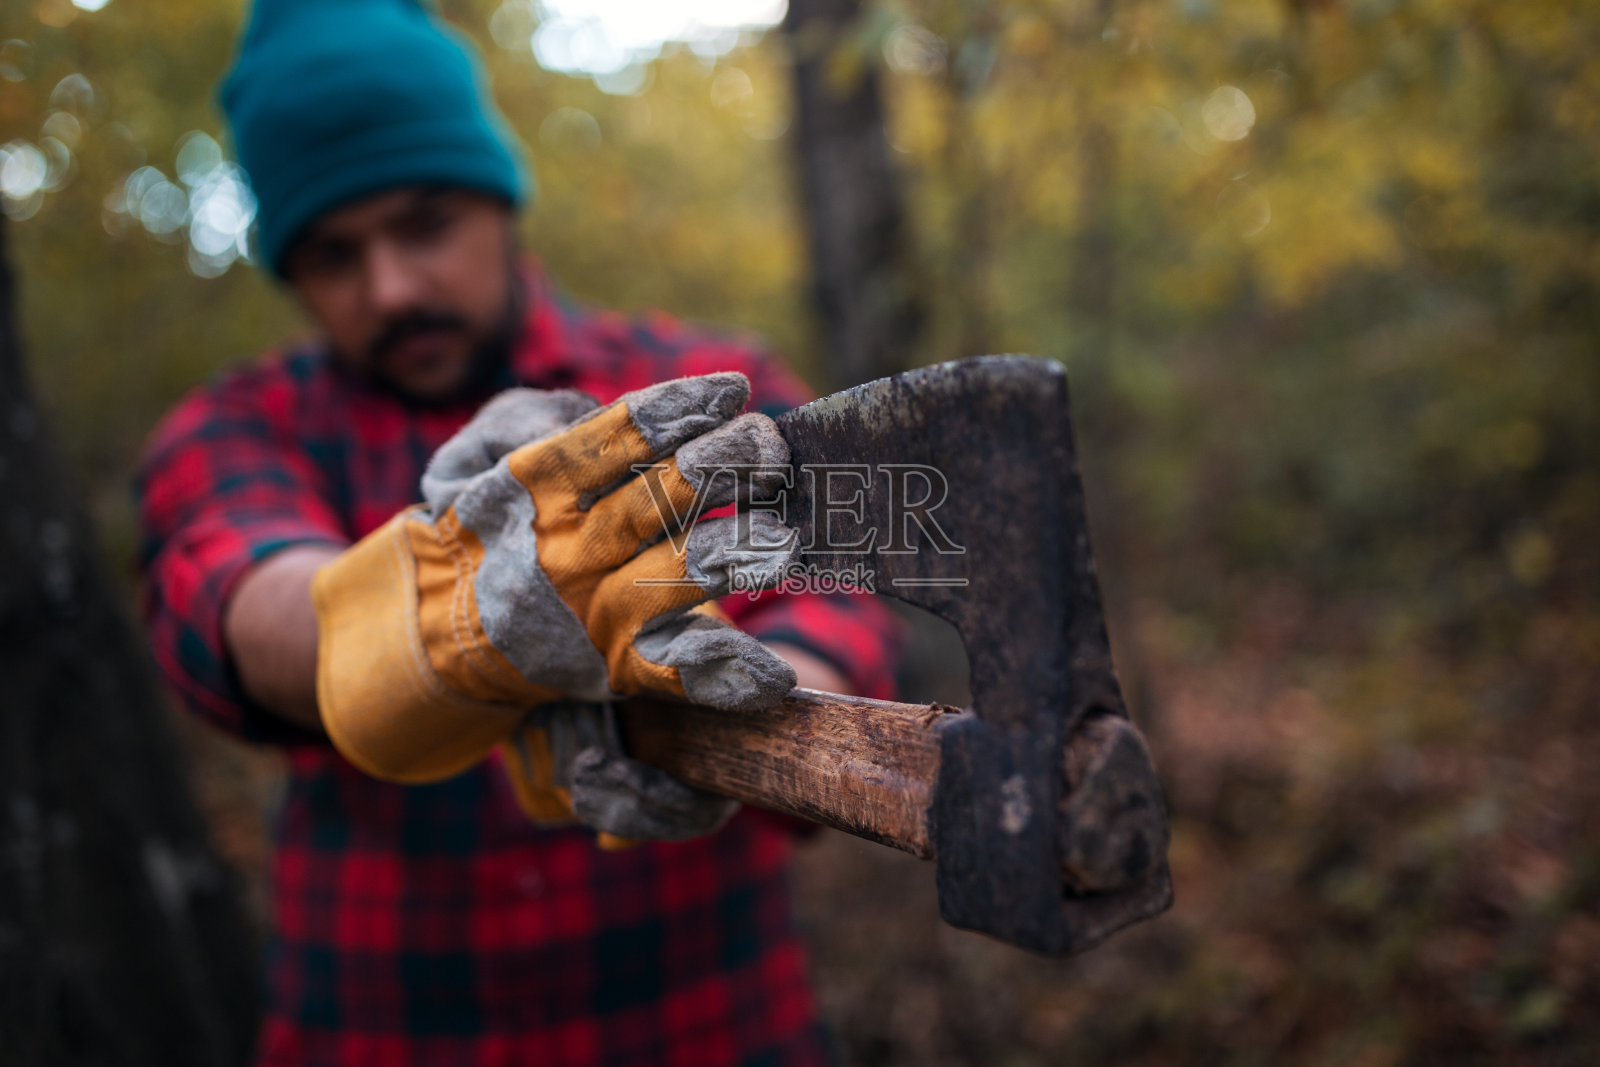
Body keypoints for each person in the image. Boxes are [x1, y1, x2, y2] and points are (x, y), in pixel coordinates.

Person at [135, 0, 902, 1062]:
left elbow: (836, 588)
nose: (391, 287)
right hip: (381, 1024)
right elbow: (238, 595)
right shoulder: (237, 425)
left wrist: (736, 703)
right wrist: (449, 620)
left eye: (425, 223)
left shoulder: (710, 390)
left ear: (500, 201)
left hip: (706, 1019)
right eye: (332, 256)